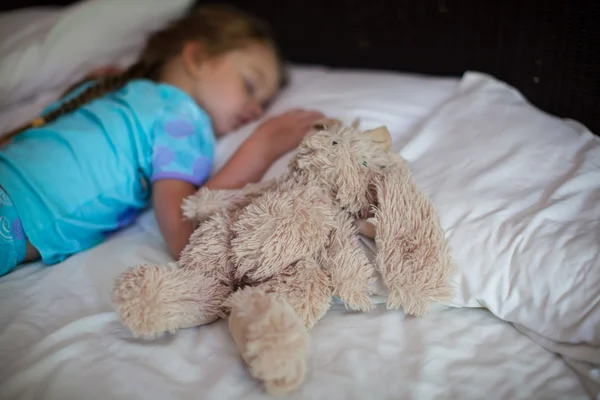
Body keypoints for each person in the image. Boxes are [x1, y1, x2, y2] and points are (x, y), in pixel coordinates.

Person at [0, 5, 326, 276]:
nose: (255, 111)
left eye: (264, 108)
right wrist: (262, 146)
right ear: (197, 56)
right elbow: (186, 235)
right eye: (250, 85)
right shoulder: (183, 118)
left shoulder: (125, 94)